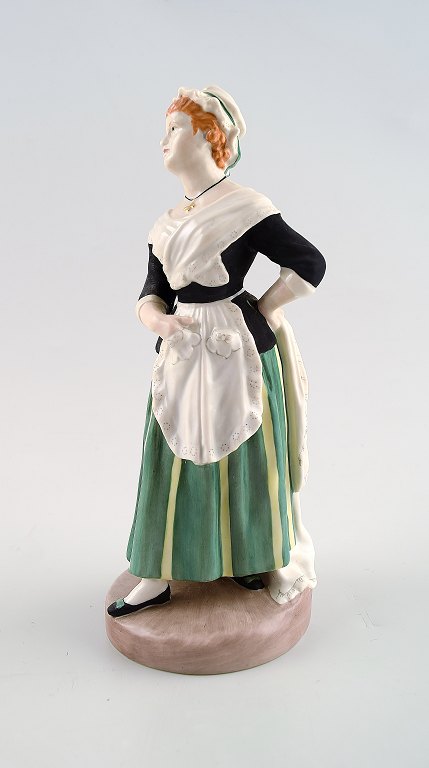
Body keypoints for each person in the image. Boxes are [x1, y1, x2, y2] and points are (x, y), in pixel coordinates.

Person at [107, 85, 326, 618]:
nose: (164, 140)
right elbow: (152, 289)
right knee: (171, 456)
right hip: (182, 351)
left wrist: (266, 308)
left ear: (210, 137)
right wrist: (156, 318)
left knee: (247, 453)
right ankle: (156, 573)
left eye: (175, 129)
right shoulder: (166, 223)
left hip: (237, 345)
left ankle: (251, 555)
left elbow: (309, 262)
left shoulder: (246, 207)